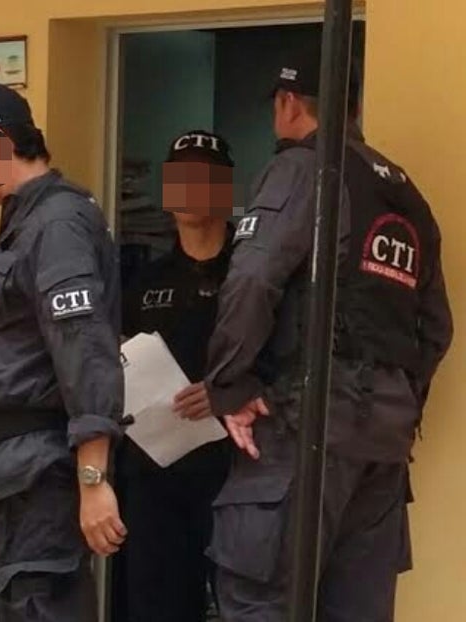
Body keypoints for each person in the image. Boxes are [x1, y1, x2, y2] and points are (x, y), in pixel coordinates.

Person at [177, 50, 453, 621]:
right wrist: (394, 400)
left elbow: (253, 278)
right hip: (383, 443)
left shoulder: (305, 170)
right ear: (353, 107)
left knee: (262, 600)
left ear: (287, 103)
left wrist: (230, 384)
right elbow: (436, 329)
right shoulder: (407, 197)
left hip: (302, 424)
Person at [0, 82, 126, 622]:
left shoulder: (57, 224)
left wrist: (93, 480)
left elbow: (84, 352)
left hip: (32, 480)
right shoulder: (24, 220)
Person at [113, 130, 235, 622]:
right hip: (154, 473)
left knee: (241, 602)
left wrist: (224, 393)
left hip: (233, 472)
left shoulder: (252, 274)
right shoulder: (144, 280)